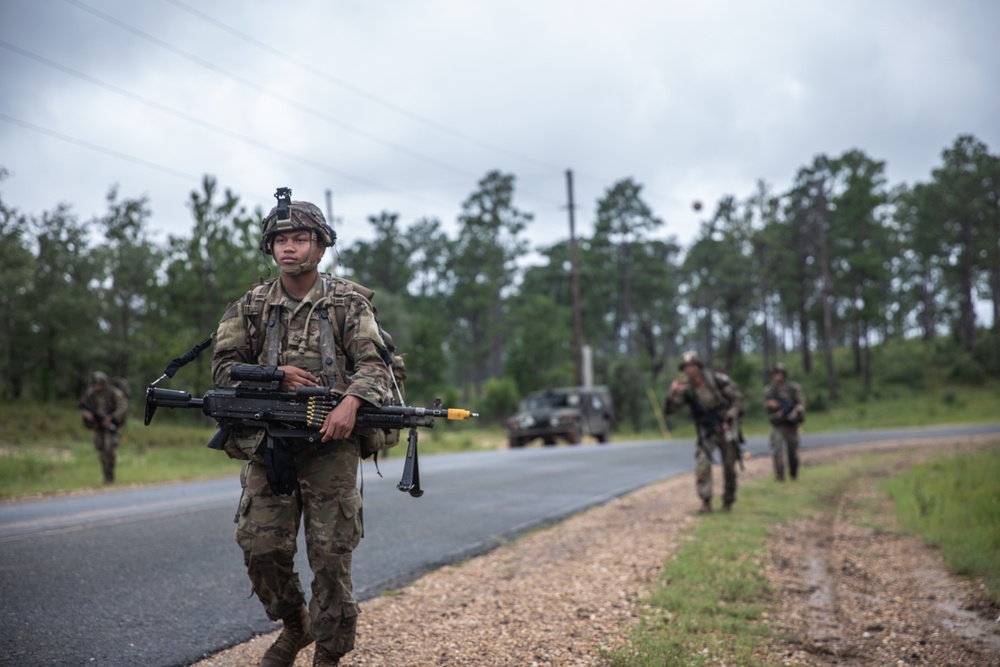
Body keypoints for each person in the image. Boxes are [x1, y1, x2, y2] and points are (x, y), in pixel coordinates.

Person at [212, 194, 392, 667]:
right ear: (270, 248)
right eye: (280, 241)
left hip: (330, 447)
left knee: (331, 559)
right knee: (260, 548)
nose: (289, 249)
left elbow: (378, 366)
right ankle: (296, 626)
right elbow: (224, 370)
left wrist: (351, 402)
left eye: (299, 239)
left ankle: (329, 656)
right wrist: (276, 376)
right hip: (269, 444)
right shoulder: (250, 306)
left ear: (321, 245)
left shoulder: (347, 304)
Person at [663, 351, 744, 513]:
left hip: (725, 424)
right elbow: (669, 410)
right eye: (686, 367)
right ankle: (705, 502)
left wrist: (729, 417)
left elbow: (737, 399)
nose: (689, 370)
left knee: (729, 466)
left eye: (692, 366)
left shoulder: (715, 379)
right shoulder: (686, 388)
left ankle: (728, 502)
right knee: (702, 463)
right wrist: (672, 392)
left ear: (698, 366)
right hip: (706, 430)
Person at [79, 371, 129, 484]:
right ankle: (106, 476)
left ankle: (110, 477)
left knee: (109, 450)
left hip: (111, 426)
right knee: (101, 450)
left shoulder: (113, 393)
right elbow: (84, 405)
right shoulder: (91, 394)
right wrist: (87, 415)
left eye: (98, 383)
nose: (96, 386)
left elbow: (123, 406)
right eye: (94, 383)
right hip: (98, 426)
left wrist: (112, 418)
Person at [764, 362, 806, 481]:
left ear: (784, 374)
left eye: (779, 373)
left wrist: (796, 411)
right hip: (777, 424)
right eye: (775, 374)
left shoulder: (794, 388)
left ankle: (793, 473)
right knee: (777, 449)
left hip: (791, 424)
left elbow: (801, 403)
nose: (777, 376)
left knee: (792, 451)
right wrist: (770, 404)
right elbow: (766, 404)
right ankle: (779, 477)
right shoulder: (769, 390)